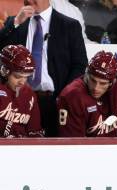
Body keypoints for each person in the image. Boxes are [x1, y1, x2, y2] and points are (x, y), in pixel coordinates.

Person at [0, 0, 88, 136]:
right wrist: (16, 22)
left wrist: (64, 96)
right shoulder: (16, 22)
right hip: (19, 101)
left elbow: (80, 65)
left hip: (55, 101)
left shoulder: (69, 25)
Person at [0, 45, 44, 137]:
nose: (22, 82)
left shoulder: (29, 94)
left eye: (26, 77)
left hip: (22, 149)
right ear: (4, 71)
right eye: (17, 76)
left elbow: (35, 131)